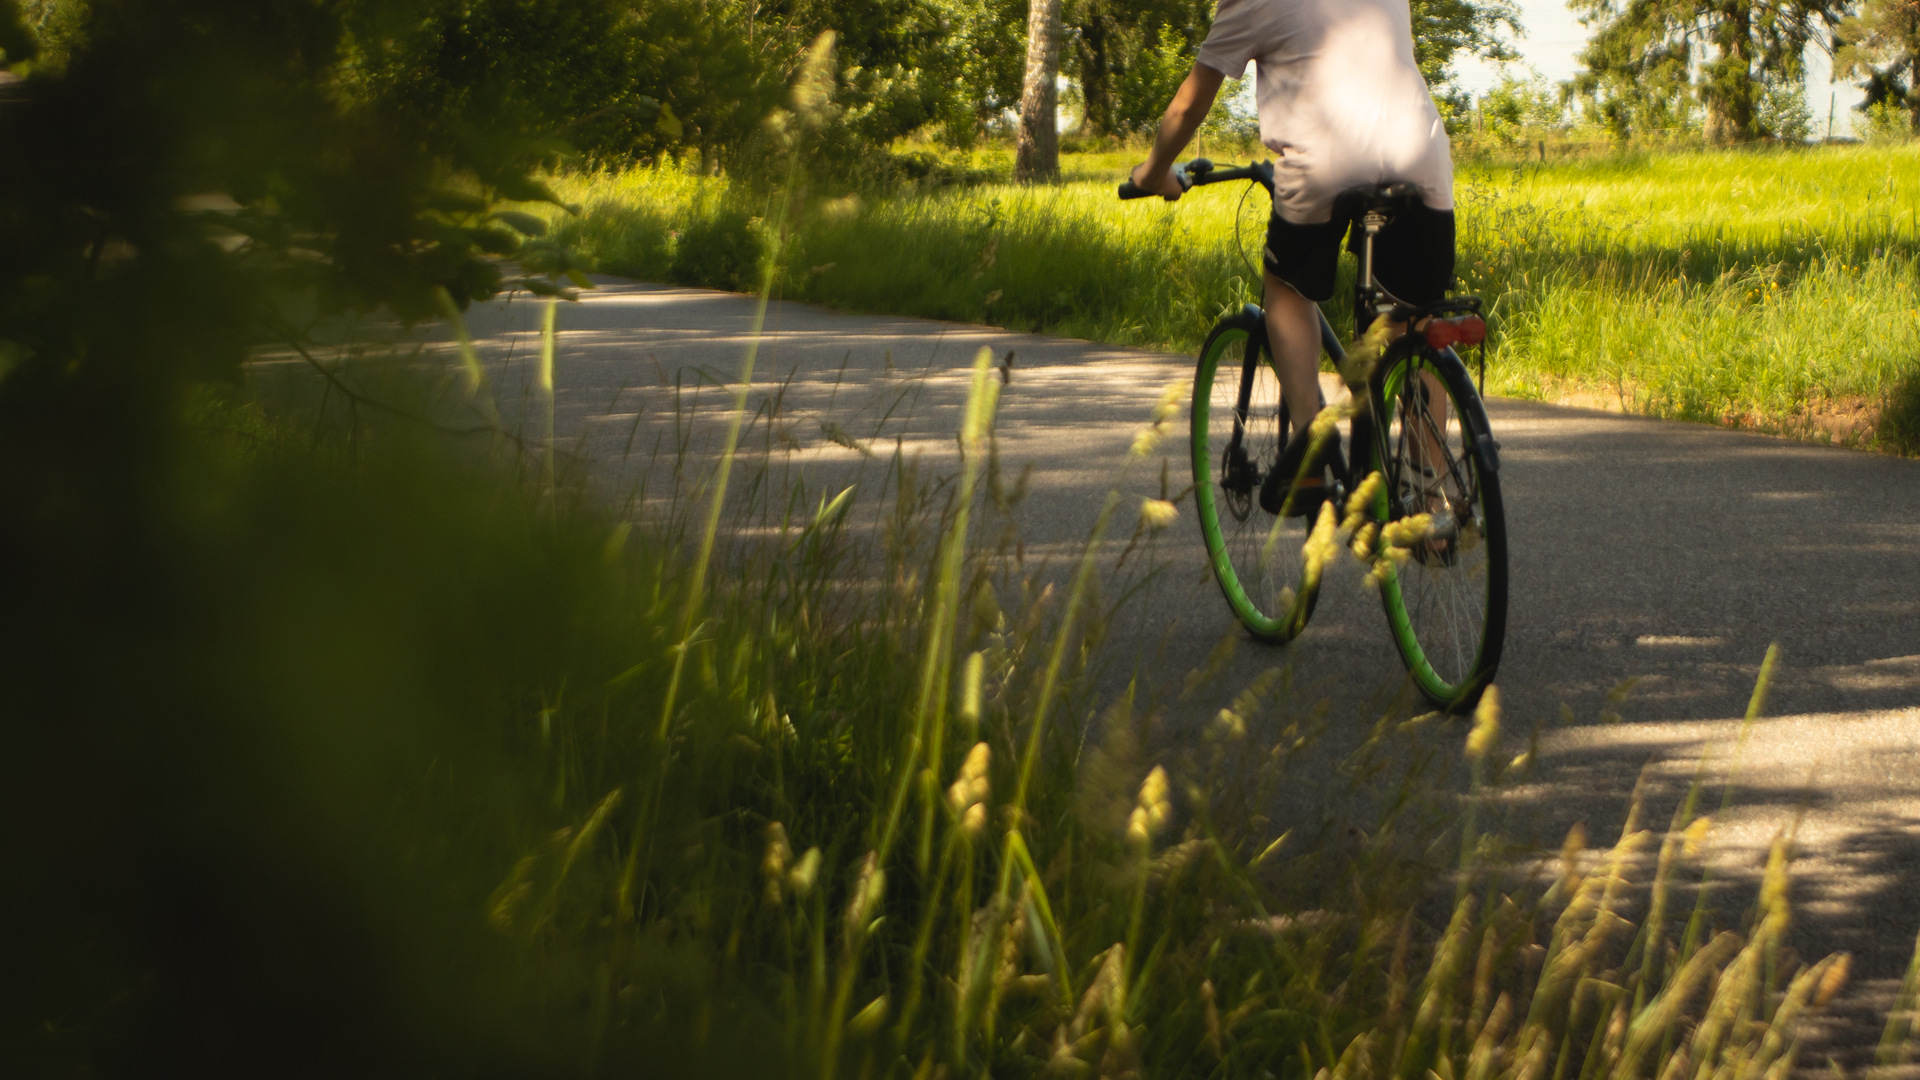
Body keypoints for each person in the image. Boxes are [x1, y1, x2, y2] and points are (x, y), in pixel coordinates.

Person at [1129, 0, 1457, 516]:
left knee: (1285, 286)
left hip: (1326, 158)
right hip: (1420, 152)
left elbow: (1186, 108)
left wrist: (1152, 174)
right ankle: (1431, 499)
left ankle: (1310, 452)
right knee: (1411, 325)